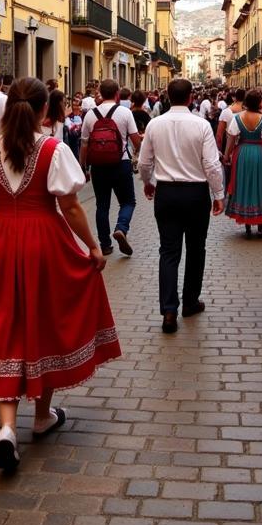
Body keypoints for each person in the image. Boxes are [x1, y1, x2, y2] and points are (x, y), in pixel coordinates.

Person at [0, 77, 120, 473]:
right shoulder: (53, 149)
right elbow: (71, 206)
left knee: (7, 323)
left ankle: (7, 428)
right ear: (44, 111)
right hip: (43, 240)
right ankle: (42, 416)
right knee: (42, 321)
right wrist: (93, 247)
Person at [137, 77, 225, 334]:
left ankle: (168, 309)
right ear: (190, 98)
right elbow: (211, 164)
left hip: (166, 193)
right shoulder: (202, 126)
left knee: (168, 251)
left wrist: (148, 182)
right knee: (196, 249)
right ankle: (190, 301)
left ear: (166, 95)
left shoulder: (154, 124)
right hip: (196, 193)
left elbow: (144, 162)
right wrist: (218, 193)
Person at [80, 79, 141, 258]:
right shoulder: (125, 112)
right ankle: (121, 228)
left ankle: (105, 245)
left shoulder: (91, 115)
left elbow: (84, 144)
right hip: (121, 163)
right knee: (128, 202)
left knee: (102, 205)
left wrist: (83, 166)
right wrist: (137, 153)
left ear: (100, 93)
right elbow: (135, 140)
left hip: (98, 166)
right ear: (117, 94)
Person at [224, 89, 262, 237]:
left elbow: (231, 139)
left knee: (244, 183)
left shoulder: (237, 118)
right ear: (260, 103)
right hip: (260, 153)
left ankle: (246, 221)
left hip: (242, 153)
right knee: (260, 184)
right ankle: (261, 223)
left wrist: (227, 156)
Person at [65, 96, 84, 160]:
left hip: (75, 141)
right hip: (69, 140)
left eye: (77, 102)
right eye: (74, 101)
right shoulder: (68, 114)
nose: (75, 103)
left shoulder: (81, 114)